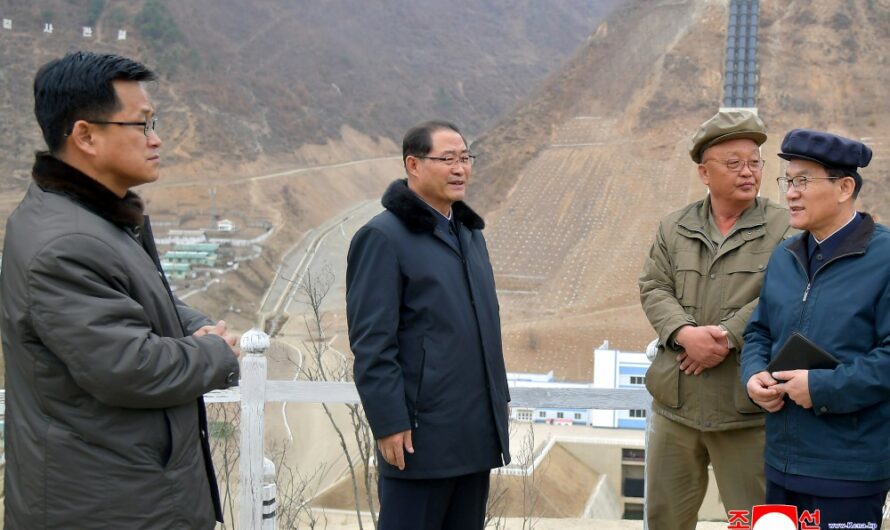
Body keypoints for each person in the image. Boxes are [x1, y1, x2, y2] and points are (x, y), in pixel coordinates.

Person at [0, 51, 241, 529]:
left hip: (128, 492)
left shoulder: (94, 217)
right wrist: (216, 353)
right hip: (105, 506)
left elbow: (142, 302)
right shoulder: (65, 244)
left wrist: (195, 326)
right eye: (142, 124)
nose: (156, 139)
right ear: (86, 136)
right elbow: (128, 367)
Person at [346, 120, 510, 530]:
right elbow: (372, 343)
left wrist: (497, 407)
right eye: (448, 158)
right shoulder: (383, 237)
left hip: (475, 433)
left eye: (466, 158)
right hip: (419, 437)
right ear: (413, 165)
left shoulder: (469, 235)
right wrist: (389, 422)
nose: (460, 168)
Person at [639, 109, 791, 529]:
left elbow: (784, 295)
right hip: (675, 407)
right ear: (704, 173)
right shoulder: (674, 227)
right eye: (734, 163)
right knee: (665, 519)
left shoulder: (784, 228)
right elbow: (654, 286)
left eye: (755, 162)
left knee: (759, 521)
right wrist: (684, 333)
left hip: (745, 412)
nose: (748, 172)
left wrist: (725, 336)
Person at [741, 129, 890, 527]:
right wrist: (753, 374)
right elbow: (759, 331)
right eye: (788, 181)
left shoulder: (885, 258)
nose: (790, 194)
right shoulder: (785, 256)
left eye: (803, 181)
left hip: (849, 471)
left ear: (844, 188)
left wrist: (822, 388)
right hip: (781, 464)